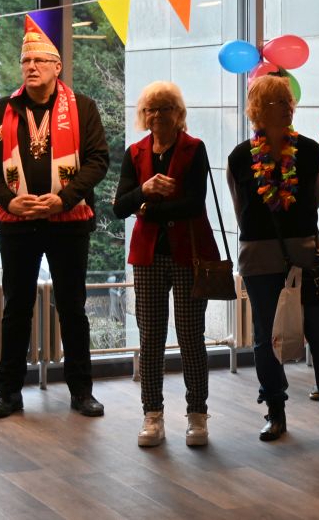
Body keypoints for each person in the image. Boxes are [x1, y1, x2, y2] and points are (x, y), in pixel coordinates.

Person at [0, 17, 109, 420]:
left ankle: (82, 392)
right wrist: (8, 201)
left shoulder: (82, 108)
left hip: (69, 221)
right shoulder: (3, 109)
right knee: (16, 309)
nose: (31, 66)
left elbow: (98, 160)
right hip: (16, 223)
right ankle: (8, 393)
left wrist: (64, 199)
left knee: (72, 308)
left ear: (57, 67)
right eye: (25, 61)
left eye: (39, 60)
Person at [228, 75, 319, 441]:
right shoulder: (240, 157)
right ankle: (275, 411)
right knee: (265, 337)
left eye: (289, 101)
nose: (288, 108)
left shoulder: (311, 152)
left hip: (304, 256)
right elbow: (241, 209)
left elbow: (314, 200)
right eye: (278, 103)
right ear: (259, 110)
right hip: (259, 260)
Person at [113, 82, 218, 447]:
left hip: (188, 254)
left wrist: (147, 209)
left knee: (191, 337)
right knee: (151, 337)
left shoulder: (194, 148)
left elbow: (194, 204)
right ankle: (152, 414)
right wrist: (144, 191)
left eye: (165, 108)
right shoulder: (135, 152)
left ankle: (197, 414)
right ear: (144, 115)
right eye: (151, 109)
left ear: (179, 113)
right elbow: (119, 206)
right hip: (148, 256)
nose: (158, 115)